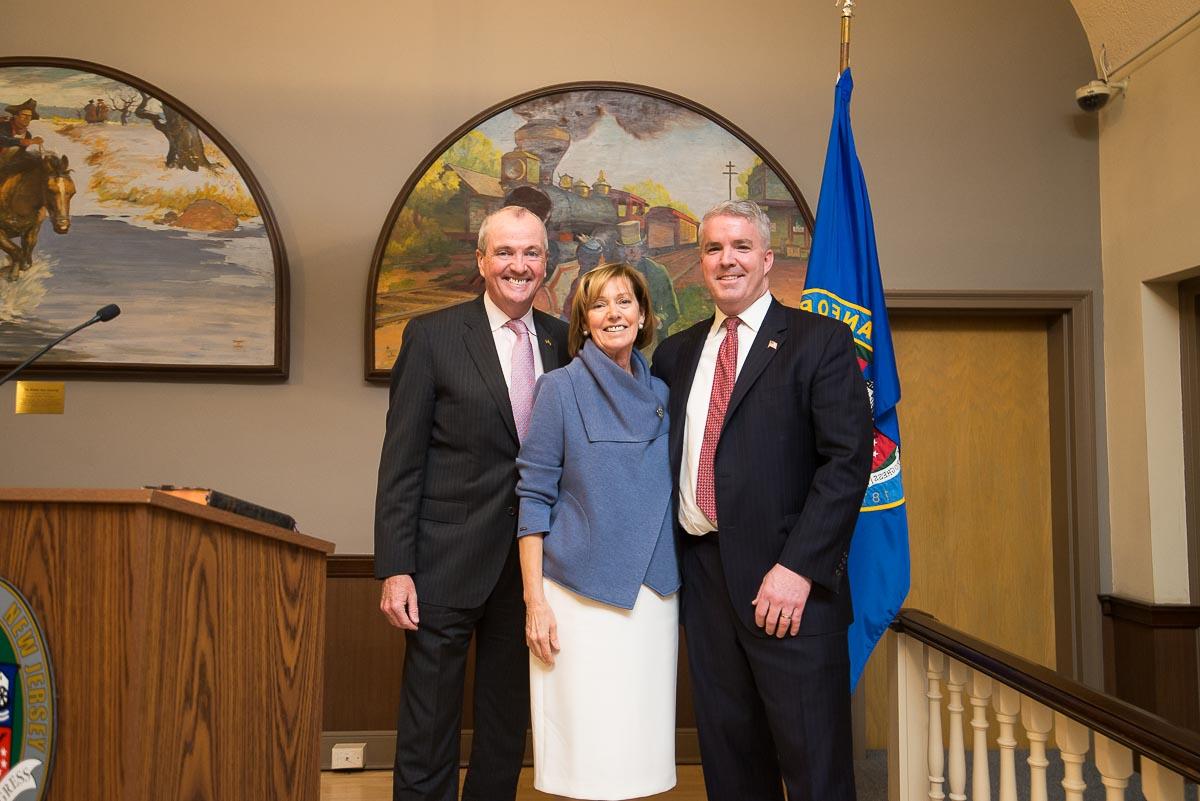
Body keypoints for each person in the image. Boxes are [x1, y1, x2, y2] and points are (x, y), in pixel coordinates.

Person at [651, 200, 873, 801]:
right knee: (731, 769)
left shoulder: (819, 340)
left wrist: (798, 568)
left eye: (741, 247)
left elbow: (846, 463)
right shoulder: (674, 354)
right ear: (702, 262)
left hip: (789, 588)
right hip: (703, 584)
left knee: (815, 772)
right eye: (714, 248)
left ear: (768, 259)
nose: (727, 260)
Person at [374, 205, 571, 801]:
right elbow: (401, 461)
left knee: (506, 722)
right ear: (481, 261)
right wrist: (396, 567)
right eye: (505, 252)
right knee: (429, 723)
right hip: (443, 561)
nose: (518, 265)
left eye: (531, 253)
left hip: (531, 567)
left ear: (546, 263)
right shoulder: (432, 336)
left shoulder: (565, 340)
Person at [515, 262, 680, 800]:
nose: (614, 313)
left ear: (643, 315)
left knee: (640, 751)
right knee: (586, 752)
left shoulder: (664, 393)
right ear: (583, 321)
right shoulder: (558, 389)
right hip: (577, 596)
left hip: (654, 594)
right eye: (599, 304)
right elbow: (534, 497)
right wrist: (535, 602)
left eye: (624, 301)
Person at [618, 220, 679, 343]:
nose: (632, 252)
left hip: (654, 339)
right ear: (623, 250)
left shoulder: (658, 271)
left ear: (641, 248)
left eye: (636, 247)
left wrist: (659, 320)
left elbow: (673, 310)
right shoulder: (615, 274)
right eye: (628, 248)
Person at [0, 99, 44, 171]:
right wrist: (21, 141)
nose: (27, 118)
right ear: (16, 116)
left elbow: (18, 155)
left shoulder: (27, 135)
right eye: (24, 115)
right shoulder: (4, 126)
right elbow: (2, 140)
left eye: (29, 116)